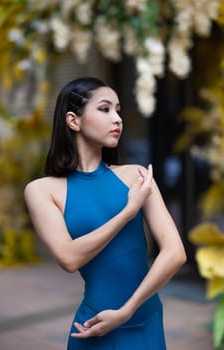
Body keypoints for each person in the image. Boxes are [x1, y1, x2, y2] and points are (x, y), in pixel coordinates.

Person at [24, 76, 187, 350]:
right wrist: (128, 211)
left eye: (118, 110)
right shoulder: (42, 190)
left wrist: (127, 310)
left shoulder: (136, 176)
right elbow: (69, 258)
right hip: (93, 328)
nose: (117, 119)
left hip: (143, 322)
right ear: (73, 121)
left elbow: (175, 253)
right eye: (105, 109)